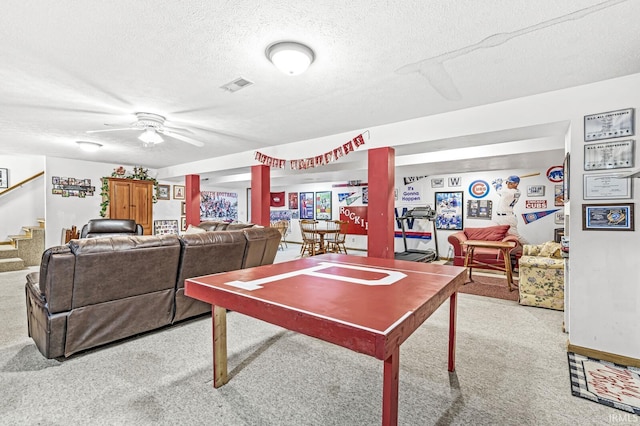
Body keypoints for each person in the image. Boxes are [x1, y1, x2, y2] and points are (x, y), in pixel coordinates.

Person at [492, 175, 527, 244]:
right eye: (507, 182)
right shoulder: (516, 191)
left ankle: (531, 248)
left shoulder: (511, 192)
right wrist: (496, 184)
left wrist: (498, 184)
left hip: (507, 218)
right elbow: (500, 192)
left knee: (516, 236)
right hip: (499, 217)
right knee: (493, 233)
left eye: (510, 183)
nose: (508, 184)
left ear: (516, 184)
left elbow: (499, 190)